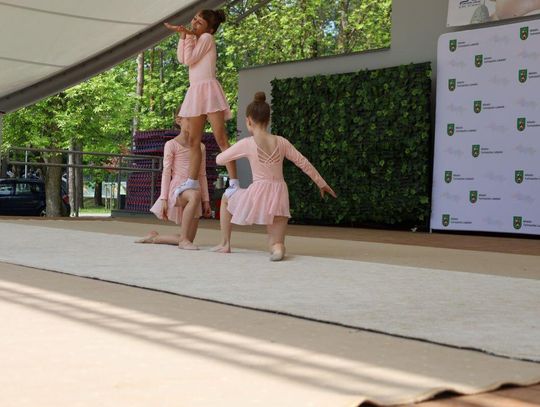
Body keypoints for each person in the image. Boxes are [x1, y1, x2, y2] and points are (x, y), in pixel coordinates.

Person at [212, 92, 337, 261]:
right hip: (279, 194)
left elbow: (220, 160)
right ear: (268, 120)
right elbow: (303, 162)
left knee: (227, 198)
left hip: (258, 193)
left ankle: (225, 243)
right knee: (276, 243)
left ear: (248, 120)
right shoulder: (282, 141)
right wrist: (321, 183)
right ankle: (278, 249)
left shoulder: (247, 143)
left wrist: (230, 148)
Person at [164, 9, 239, 202]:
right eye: (195, 19)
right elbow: (182, 59)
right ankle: (192, 180)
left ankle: (234, 182)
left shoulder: (206, 38)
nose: (194, 23)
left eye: (200, 22)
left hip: (209, 91)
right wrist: (183, 37)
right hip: (196, 91)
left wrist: (188, 36)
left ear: (210, 29)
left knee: (221, 138)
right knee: (193, 140)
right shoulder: (197, 39)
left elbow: (190, 59)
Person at [136, 116, 211, 250]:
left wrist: (206, 200)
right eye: (189, 119)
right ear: (179, 120)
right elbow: (166, 172)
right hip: (178, 189)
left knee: (190, 238)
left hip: (195, 188)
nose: (193, 123)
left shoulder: (201, 147)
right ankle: (183, 241)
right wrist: (164, 198)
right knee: (194, 196)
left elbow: (202, 174)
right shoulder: (171, 144)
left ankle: (154, 237)